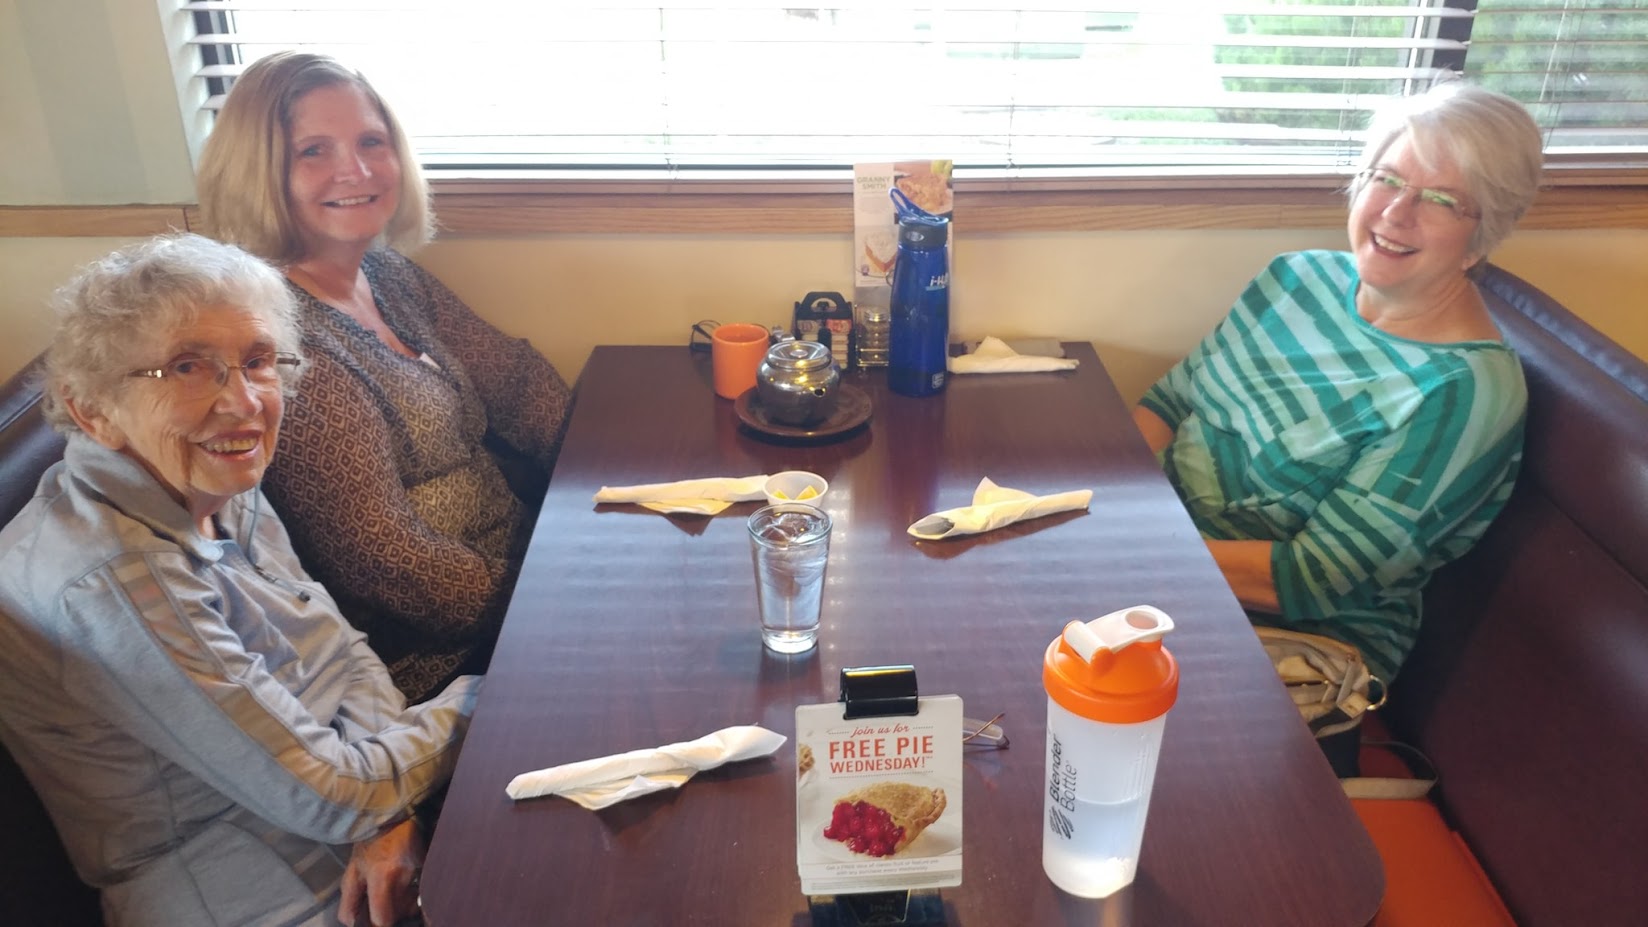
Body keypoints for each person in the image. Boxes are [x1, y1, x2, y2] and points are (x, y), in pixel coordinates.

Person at [0, 233, 479, 927]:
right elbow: (333, 797)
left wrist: (387, 811)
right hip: (258, 889)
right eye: (187, 367)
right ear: (92, 411)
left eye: (257, 361)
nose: (245, 402)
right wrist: (490, 700)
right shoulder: (111, 581)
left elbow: (339, 653)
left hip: (345, 821)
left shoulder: (211, 479)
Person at [1133, 81, 1543, 687]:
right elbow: (1169, 404)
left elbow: (1311, 578)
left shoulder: (1463, 392)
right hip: (1159, 568)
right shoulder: (1295, 278)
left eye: (1441, 200)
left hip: (1282, 645)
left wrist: (1132, 552)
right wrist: (1112, 507)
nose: (1397, 212)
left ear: (1483, 235)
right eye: (1388, 179)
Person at [196, 51, 573, 702]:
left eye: (372, 141)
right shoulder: (281, 343)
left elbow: (514, 381)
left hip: (527, 567)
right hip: (447, 658)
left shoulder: (383, 272)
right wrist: (554, 594)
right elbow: (389, 566)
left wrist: (607, 478)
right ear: (260, 174)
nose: (357, 170)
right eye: (313, 150)